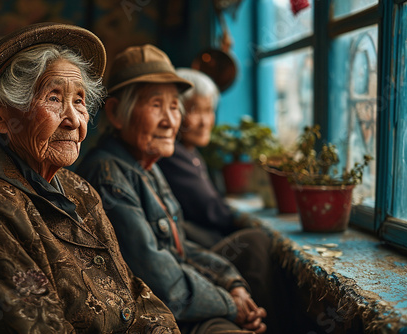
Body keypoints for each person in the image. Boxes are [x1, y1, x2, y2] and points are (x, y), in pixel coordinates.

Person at [0, 23, 180, 334]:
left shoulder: (79, 190)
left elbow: (133, 292)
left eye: (80, 101)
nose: (73, 120)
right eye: (55, 98)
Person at [76, 44, 268, 334]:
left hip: (177, 304)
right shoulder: (108, 175)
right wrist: (230, 304)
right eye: (156, 105)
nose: (170, 121)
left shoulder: (146, 165)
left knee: (253, 257)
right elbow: (162, 282)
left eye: (175, 107)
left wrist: (232, 284)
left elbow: (179, 247)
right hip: (150, 315)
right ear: (116, 113)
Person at [157, 68, 260, 249]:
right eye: (196, 111)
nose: (205, 122)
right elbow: (209, 209)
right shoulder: (172, 155)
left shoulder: (191, 153)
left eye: (209, 110)